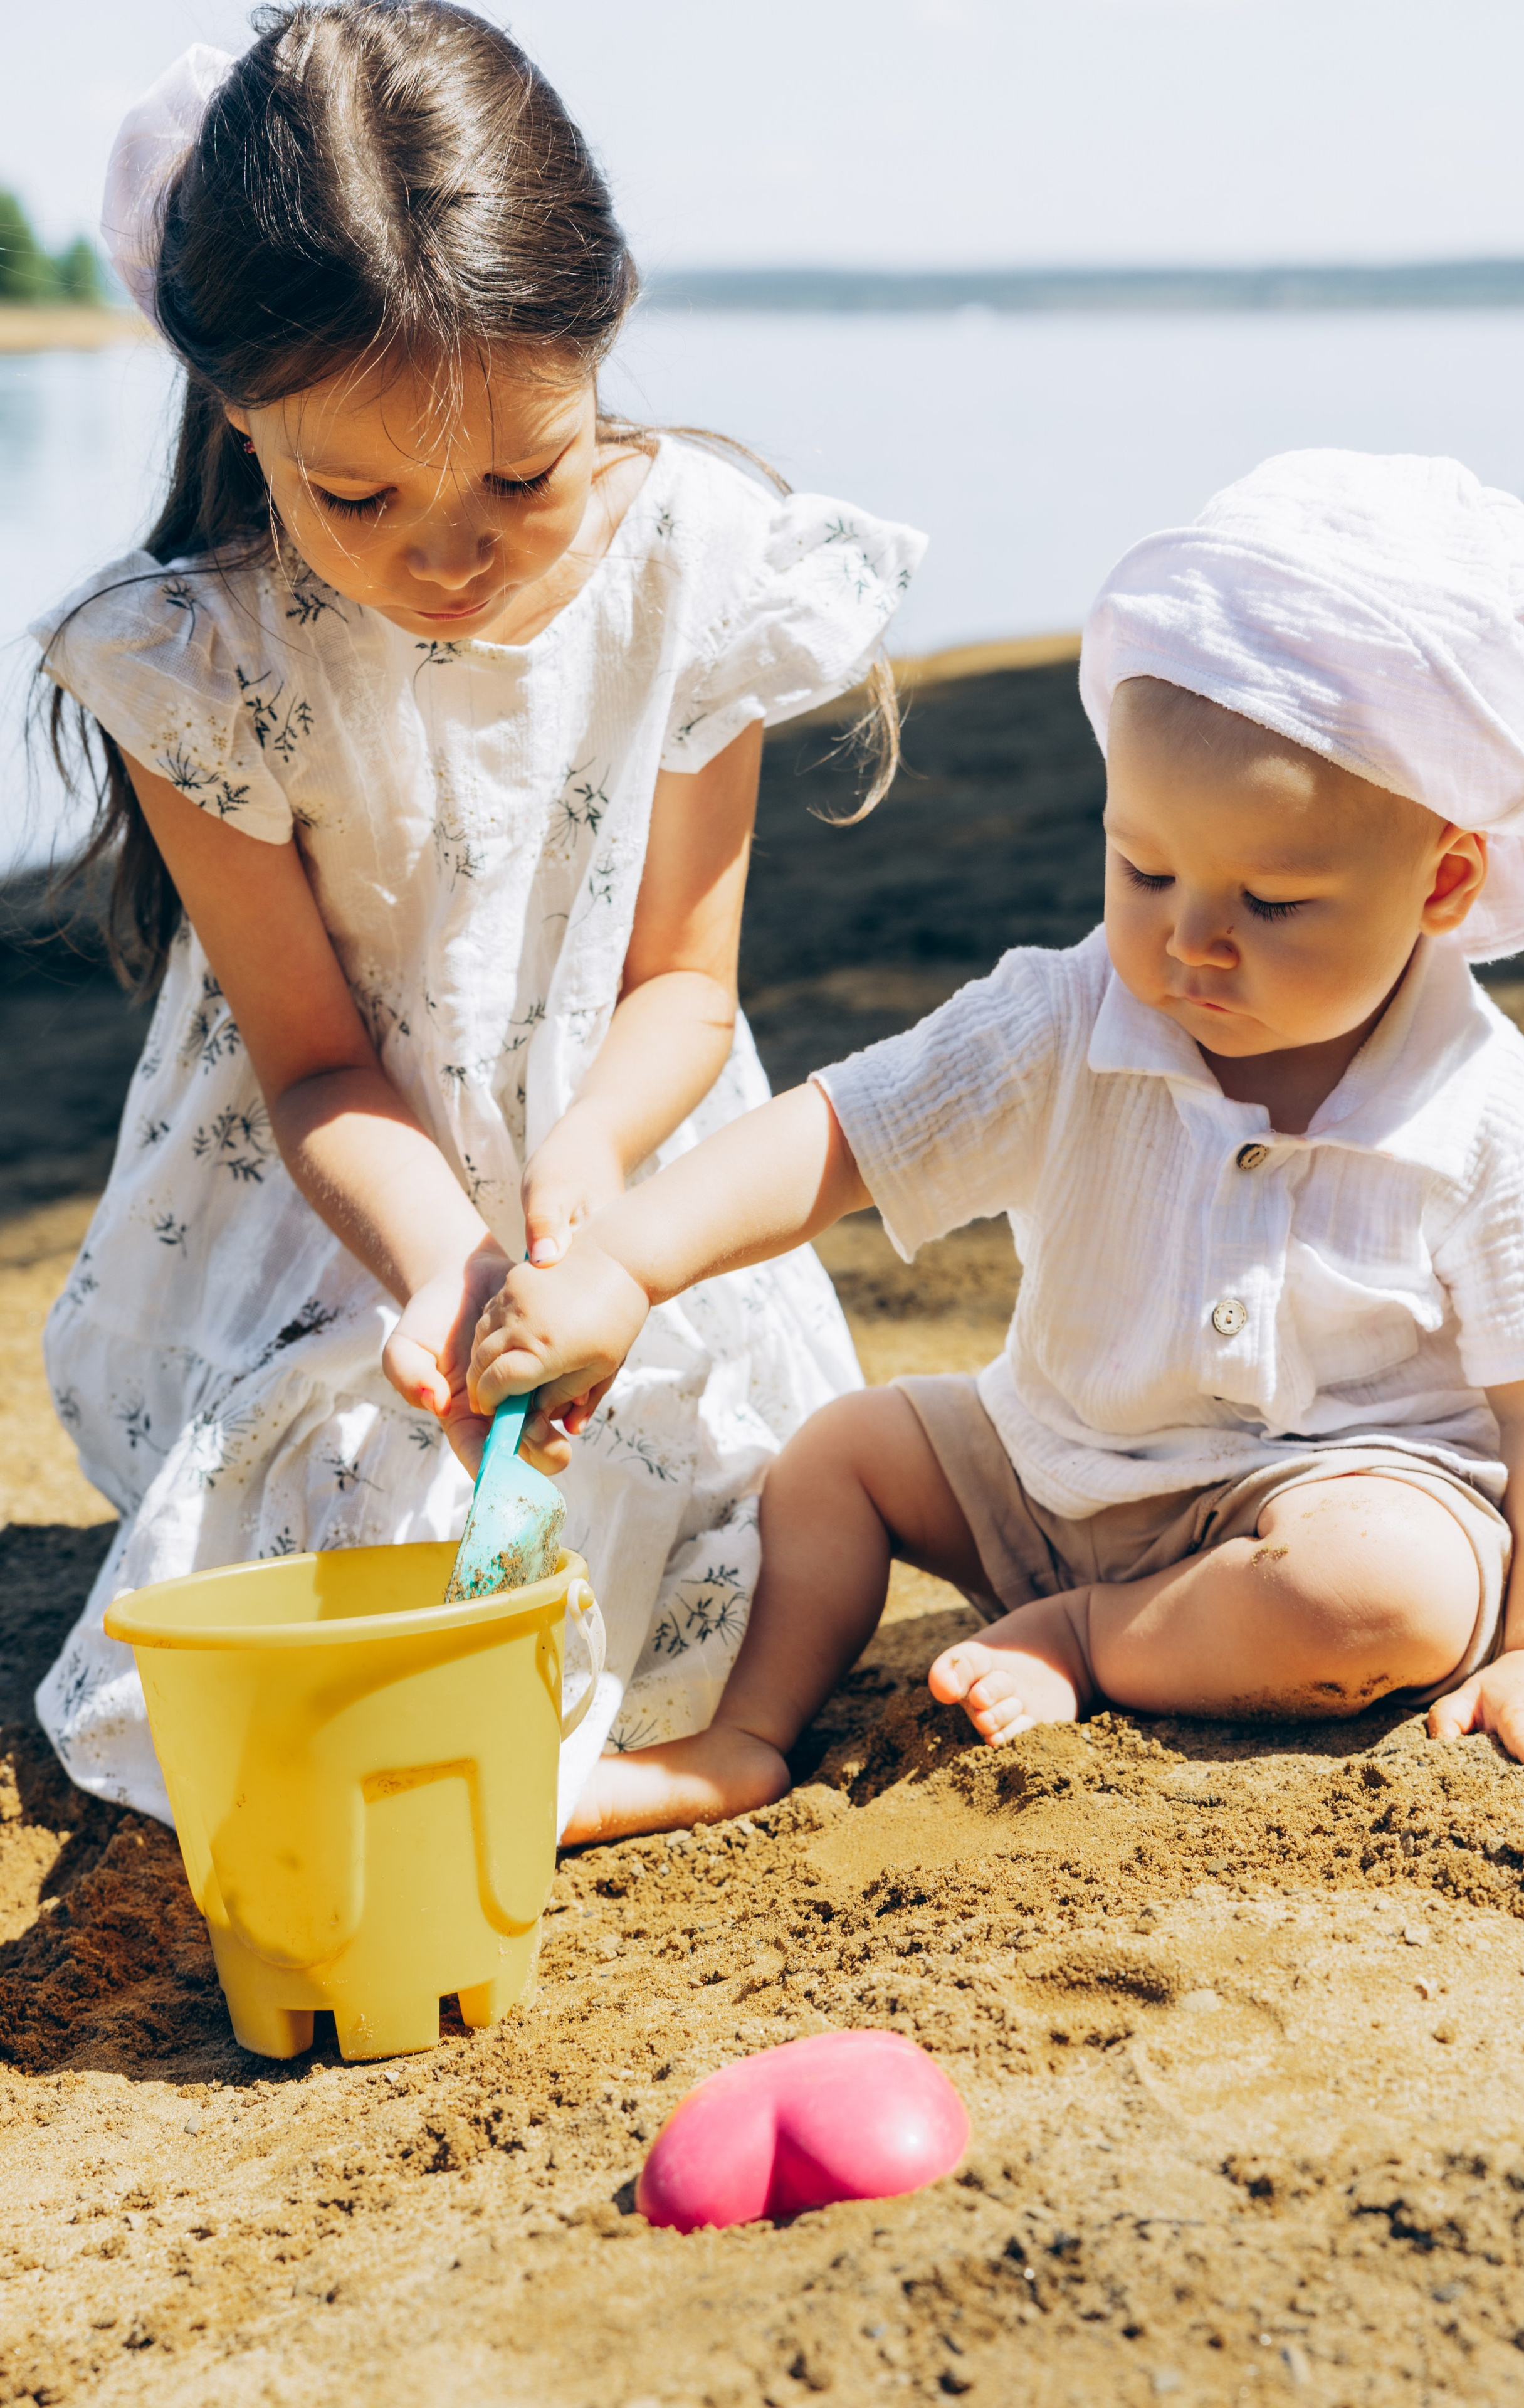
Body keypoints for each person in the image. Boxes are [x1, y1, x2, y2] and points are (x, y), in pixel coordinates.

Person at [29, 3, 923, 1840]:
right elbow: (311, 1057)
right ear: (236, 408)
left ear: (600, 344)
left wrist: (589, 1172)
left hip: (625, 1167)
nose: (448, 554)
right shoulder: (206, 658)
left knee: (739, 1551)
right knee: (376, 1534)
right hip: (350, 1207)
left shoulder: (694, 563)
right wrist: (450, 1263)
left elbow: (683, 979)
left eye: (525, 474)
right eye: (354, 493)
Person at [466, 449, 1524, 1843]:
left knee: (1384, 1598)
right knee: (839, 1453)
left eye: (1272, 899)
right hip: (1052, 1468)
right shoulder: (1066, 1013)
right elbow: (840, 1135)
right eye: (1143, 870)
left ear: (1439, 881)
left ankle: (1089, 1640)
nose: (1190, 938)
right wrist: (627, 1268)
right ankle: (746, 1738)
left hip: (1322, 1508)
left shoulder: (1506, 1122)